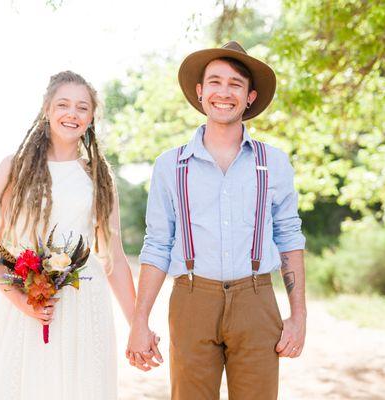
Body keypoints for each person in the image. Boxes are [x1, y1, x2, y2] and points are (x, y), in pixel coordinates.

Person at [127, 41, 307, 400]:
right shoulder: (170, 166)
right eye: (215, 82)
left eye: (235, 84)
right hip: (192, 299)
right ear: (200, 91)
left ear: (250, 96)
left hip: (256, 299)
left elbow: (289, 238)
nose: (224, 93)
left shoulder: (273, 163)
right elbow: (158, 243)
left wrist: (298, 316)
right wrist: (139, 321)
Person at [0, 71, 137, 399]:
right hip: (28, 306)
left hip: (85, 305)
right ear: (46, 110)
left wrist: (138, 324)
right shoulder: (14, 167)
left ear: (91, 118)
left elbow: (114, 259)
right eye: (63, 104)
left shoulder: (99, 176)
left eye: (82, 107)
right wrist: (22, 301)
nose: (72, 114)